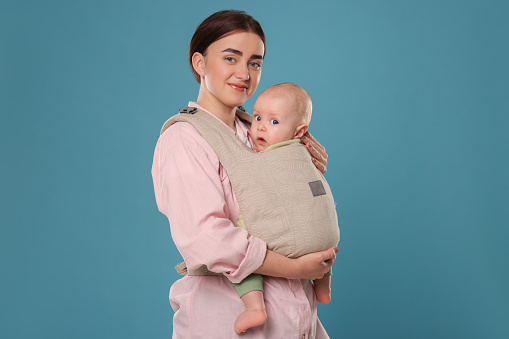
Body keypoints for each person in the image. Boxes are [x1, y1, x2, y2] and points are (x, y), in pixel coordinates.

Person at [151, 10, 336, 338]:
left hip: (298, 318)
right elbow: (207, 238)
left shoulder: (265, 132)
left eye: (254, 62)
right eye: (230, 58)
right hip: (226, 318)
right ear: (200, 63)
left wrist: (300, 160)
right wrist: (295, 268)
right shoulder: (184, 138)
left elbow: (296, 208)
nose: (244, 73)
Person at [232, 83, 336, 334]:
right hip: (326, 239)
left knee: (242, 245)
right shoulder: (303, 149)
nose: (261, 126)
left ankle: (254, 307)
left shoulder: (266, 155)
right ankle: (323, 286)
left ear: (300, 131)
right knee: (321, 234)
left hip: (285, 236)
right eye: (257, 118)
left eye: (274, 122)